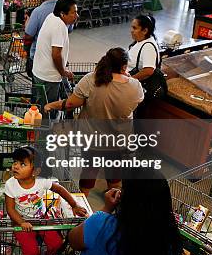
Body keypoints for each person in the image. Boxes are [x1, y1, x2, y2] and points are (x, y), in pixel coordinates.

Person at [44, 48, 144, 194]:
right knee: (115, 174)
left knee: (89, 171)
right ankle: (113, 205)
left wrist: (51, 105)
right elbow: (136, 102)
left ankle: (82, 207)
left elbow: (71, 104)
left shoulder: (91, 79)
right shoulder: (135, 86)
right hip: (119, 141)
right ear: (124, 66)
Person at [67, 170, 183, 255]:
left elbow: (73, 240)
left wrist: (106, 208)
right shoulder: (170, 242)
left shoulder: (102, 224)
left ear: (126, 198)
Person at [4, 146, 87, 255]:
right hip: (20, 222)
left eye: (22, 164)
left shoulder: (41, 181)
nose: (16, 166)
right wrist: (21, 222)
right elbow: (10, 209)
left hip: (41, 218)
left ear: (35, 171)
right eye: (15, 162)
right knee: (31, 252)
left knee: (56, 243)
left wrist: (74, 205)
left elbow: (60, 189)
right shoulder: (10, 185)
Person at [32, 0, 79, 111]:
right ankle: (45, 128)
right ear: (63, 14)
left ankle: (36, 125)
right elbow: (56, 55)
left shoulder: (51, 16)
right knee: (48, 111)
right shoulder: (59, 26)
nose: (77, 16)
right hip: (49, 78)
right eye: (74, 12)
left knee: (38, 107)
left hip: (39, 71)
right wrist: (63, 72)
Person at [23, 0, 60, 78]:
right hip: (58, 56)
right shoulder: (64, 10)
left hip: (38, 57)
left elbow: (28, 35)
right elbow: (69, 29)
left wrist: (27, 23)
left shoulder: (38, 11)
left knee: (37, 88)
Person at [127, 14, 160, 83]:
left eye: (134, 28)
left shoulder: (148, 46)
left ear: (145, 31)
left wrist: (130, 80)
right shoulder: (139, 42)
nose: (131, 31)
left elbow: (148, 71)